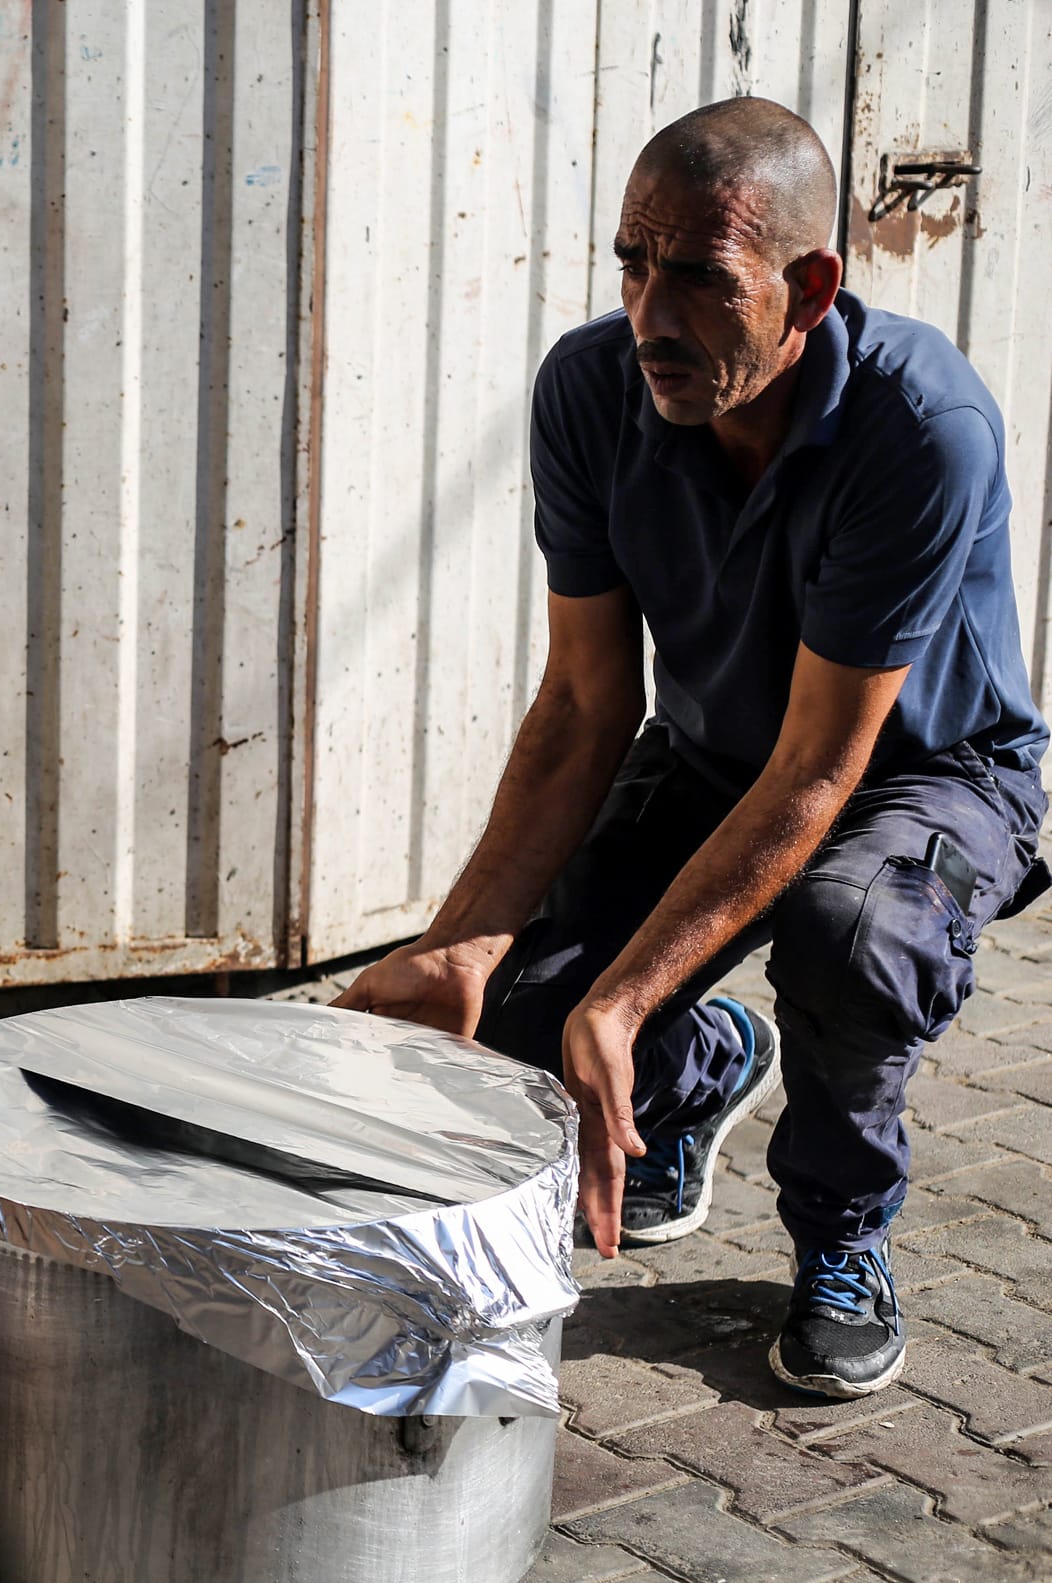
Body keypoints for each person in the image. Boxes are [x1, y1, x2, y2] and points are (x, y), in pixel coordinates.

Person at [334, 96, 1049, 1400]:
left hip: (929, 777)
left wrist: (630, 992)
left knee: (853, 930)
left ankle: (842, 1237)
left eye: (703, 281)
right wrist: (461, 942)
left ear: (810, 287)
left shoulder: (921, 428)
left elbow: (825, 774)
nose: (652, 316)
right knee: (529, 1011)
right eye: (631, 263)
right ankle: (704, 1066)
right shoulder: (591, 392)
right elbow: (584, 709)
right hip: (722, 750)